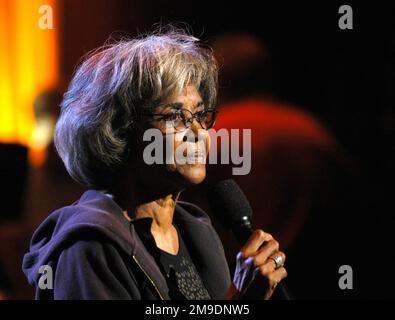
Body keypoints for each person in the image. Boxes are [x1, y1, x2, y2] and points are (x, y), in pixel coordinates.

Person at [22, 28, 287, 300]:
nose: (197, 132)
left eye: (200, 114)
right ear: (119, 131)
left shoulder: (196, 233)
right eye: (175, 116)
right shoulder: (89, 247)